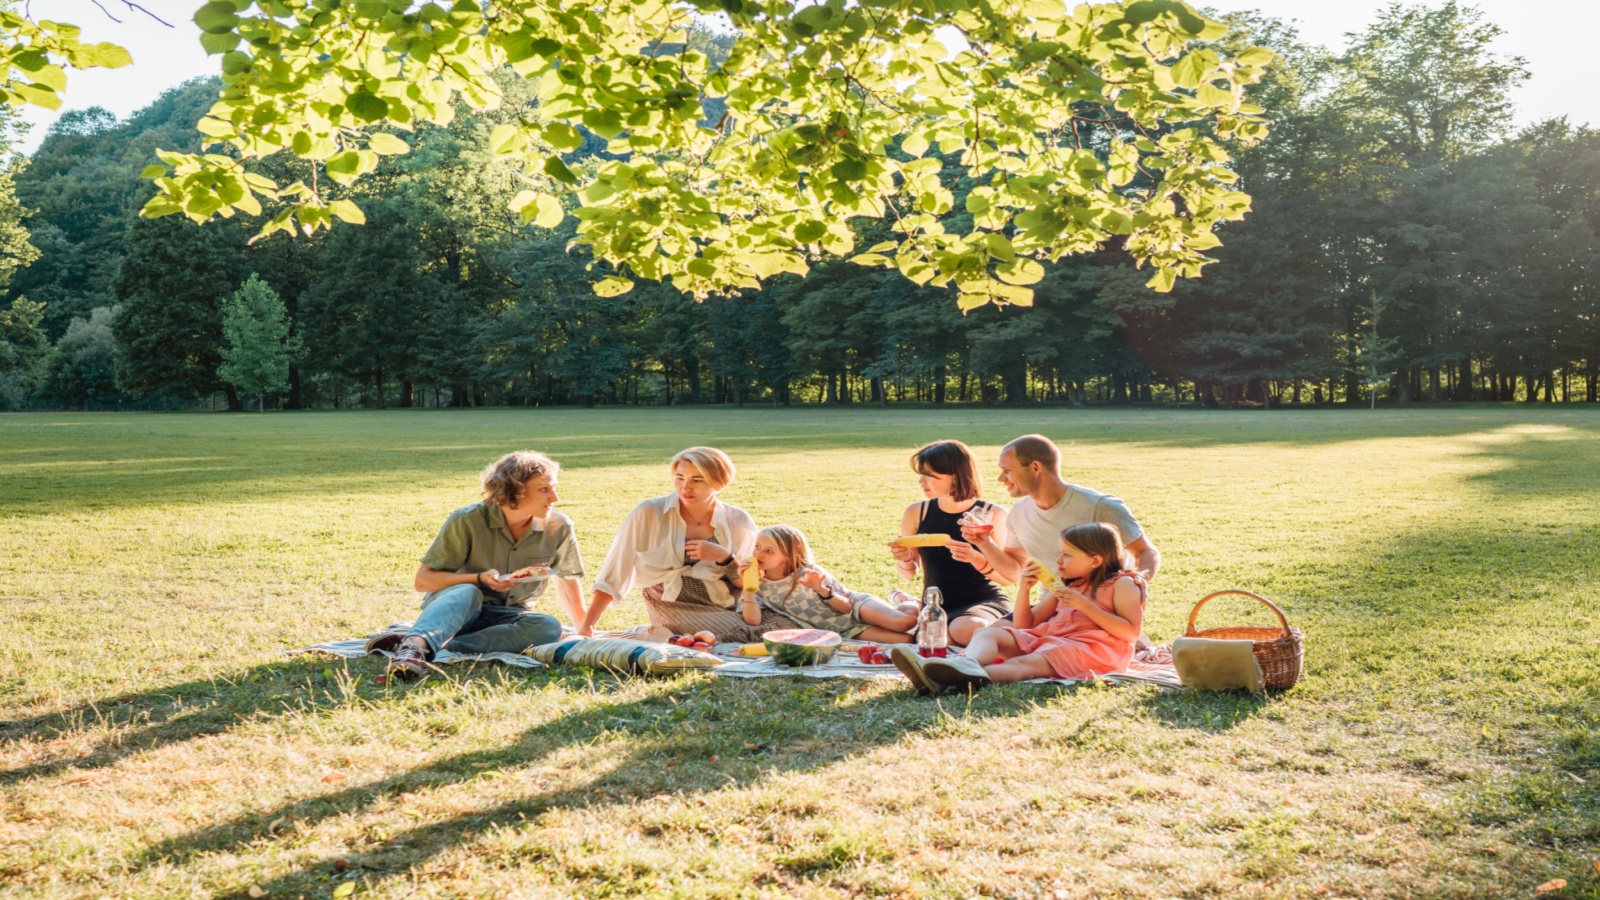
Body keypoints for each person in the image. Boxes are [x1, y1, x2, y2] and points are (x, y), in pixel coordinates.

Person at [369, 451, 585, 680]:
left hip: (506, 618)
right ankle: (413, 647)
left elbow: (566, 578)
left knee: (548, 626)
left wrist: (585, 628)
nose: (555, 497)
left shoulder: (558, 525)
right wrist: (478, 579)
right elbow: (423, 581)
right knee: (468, 591)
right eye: (544, 489)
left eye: (554, 488)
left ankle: (438, 645)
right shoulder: (467, 520)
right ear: (515, 490)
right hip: (456, 609)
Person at [893, 522, 1146, 693]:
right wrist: (1025, 589)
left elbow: (1130, 633)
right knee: (988, 633)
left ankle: (952, 679)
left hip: (1092, 650)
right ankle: (960, 666)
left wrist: (1086, 607)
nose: (1058, 561)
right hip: (1052, 640)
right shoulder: (1071, 585)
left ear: (1095, 560)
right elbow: (1025, 625)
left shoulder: (1122, 584)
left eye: (1066, 555)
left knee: (1024, 665)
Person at [586, 447, 776, 640]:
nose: (686, 487)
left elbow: (747, 582)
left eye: (697, 479)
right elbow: (615, 570)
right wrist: (587, 626)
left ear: (719, 482)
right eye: (680, 477)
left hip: (727, 598)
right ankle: (643, 636)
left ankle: (660, 637)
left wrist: (725, 558)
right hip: (673, 602)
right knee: (742, 634)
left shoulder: (737, 519)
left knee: (780, 625)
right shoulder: (649, 512)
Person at [963, 434, 1160, 587]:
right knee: (987, 635)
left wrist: (1136, 583)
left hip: (1102, 611)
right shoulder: (1019, 513)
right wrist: (985, 543)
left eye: (1007, 471)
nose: (1000, 479)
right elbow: (1014, 571)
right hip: (1051, 610)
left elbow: (1145, 551)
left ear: (1035, 468)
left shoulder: (1100, 506)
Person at [888, 440, 1012, 646]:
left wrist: (975, 557)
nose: (921, 481)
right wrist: (906, 560)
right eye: (921, 474)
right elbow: (909, 574)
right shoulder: (916, 512)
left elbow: (1007, 579)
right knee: (936, 643)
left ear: (955, 476)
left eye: (930, 475)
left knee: (966, 630)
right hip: (934, 605)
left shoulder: (993, 514)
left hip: (983, 601)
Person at [740, 525, 918, 642]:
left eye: (769, 551)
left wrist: (820, 589)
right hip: (844, 630)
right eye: (757, 547)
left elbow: (846, 607)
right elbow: (753, 621)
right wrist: (749, 589)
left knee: (904, 623)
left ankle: (907, 600)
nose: (758, 554)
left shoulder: (807, 571)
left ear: (788, 556)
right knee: (908, 640)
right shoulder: (758, 584)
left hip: (855, 606)